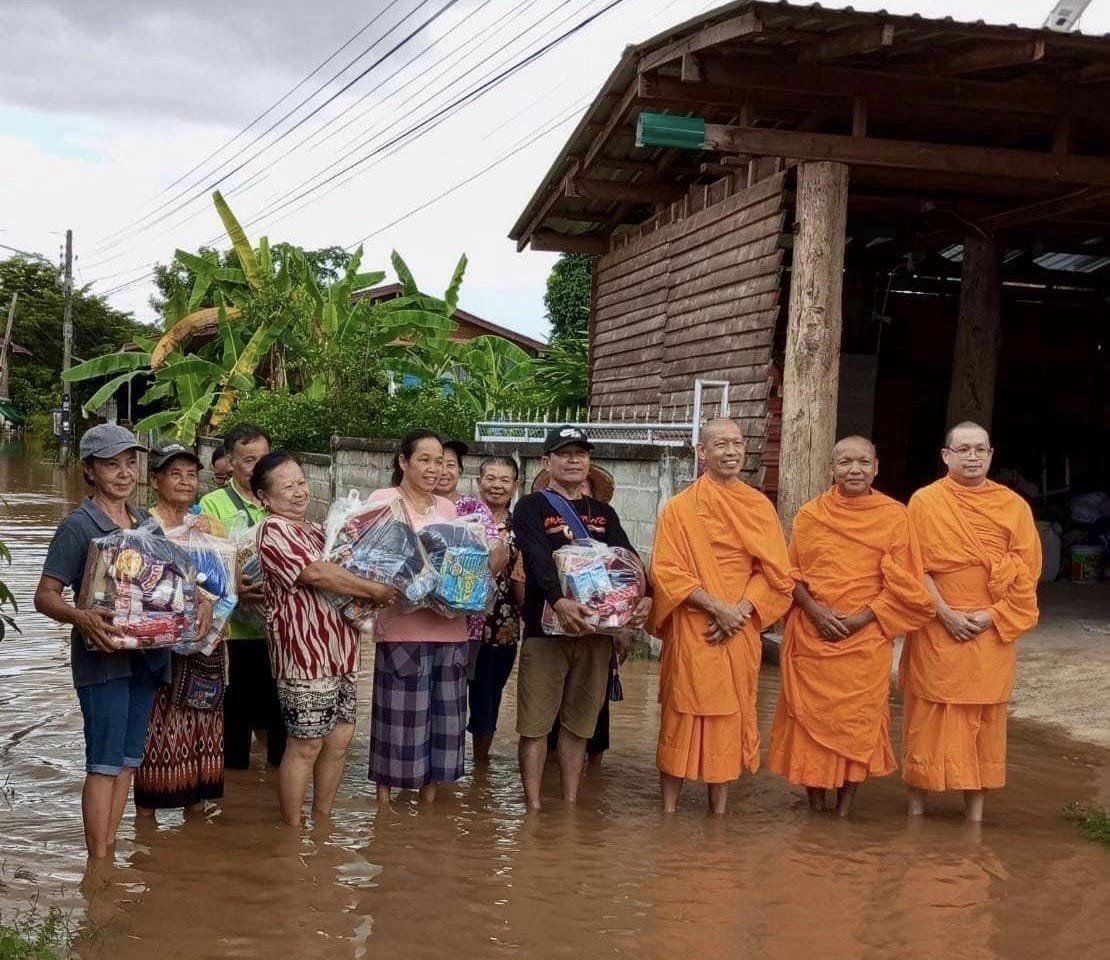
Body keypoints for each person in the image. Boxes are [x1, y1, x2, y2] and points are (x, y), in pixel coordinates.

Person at [766, 437, 934, 816]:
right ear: (832, 469)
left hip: (867, 636)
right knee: (809, 721)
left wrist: (864, 617)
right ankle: (816, 805)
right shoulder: (810, 516)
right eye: (845, 462)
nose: (854, 470)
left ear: (876, 467)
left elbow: (905, 582)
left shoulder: (895, 516)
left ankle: (844, 809)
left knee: (859, 722)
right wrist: (814, 611)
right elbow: (792, 575)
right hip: (813, 634)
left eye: (862, 463)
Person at [33, 425, 171, 858]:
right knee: (104, 762)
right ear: (89, 470)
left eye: (130, 463)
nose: (125, 473)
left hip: (147, 655)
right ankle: (98, 864)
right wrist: (81, 617)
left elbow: (170, 583)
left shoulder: (147, 522)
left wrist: (198, 604)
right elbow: (44, 596)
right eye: (112, 465)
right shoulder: (78, 526)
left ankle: (108, 852)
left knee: (128, 760)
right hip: (102, 657)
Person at [649, 418, 793, 814]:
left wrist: (742, 610)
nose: (730, 452)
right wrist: (716, 608)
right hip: (695, 624)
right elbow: (666, 571)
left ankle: (719, 809)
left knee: (730, 714)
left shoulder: (758, 505)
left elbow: (776, 572)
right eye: (720, 444)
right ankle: (669, 809)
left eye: (736, 443)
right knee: (681, 712)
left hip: (739, 626)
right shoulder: (680, 509)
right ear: (702, 452)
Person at [900, 422, 1041, 822]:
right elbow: (913, 567)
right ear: (946, 455)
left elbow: (1027, 572)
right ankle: (916, 807)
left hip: (991, 627)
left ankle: (975, 813)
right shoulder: (925, 502)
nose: (973, 457)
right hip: (936, 623)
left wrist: (991, 614)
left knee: (985, 719)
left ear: (991, 454)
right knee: (927, 714)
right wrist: (944, 612)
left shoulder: (1013, 506)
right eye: (963, 450)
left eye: (980, 450)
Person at [253, 452, 397, 825]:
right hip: (303, 656)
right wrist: (374, 590)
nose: (300, 491)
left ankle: (322, 821)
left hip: (343, 653)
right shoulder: (273, 530)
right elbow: (316, 573)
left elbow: (351, 559)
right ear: (264, 497)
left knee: (339, 742)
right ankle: (293, 829)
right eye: (288, 486)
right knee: (306, 744)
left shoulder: (320, 529)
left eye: (301, 482)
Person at [513, 426, 651, 810]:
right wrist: (557, 600)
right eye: (564, 453)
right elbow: (538, 557)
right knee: (535, 724)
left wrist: (646, 596)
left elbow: (628, 558)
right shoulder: (531, 507)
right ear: (547, 462)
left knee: (579, 725)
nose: (574, 459)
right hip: (546, 632)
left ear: (589, 462)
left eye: (581, 453)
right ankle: (534, 808)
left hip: (595, 632)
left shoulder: (604, 513)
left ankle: (571, 803)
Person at [367, 431, 474, 805]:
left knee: (445, 724)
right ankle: (384, 806)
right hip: (402, 630)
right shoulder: (383, 502)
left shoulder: (448, 509)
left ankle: (428, 802)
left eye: (440, 461)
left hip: (451, 629)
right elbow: (371, 561)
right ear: (403, 462)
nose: (434, 468)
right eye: (425, 460)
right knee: (398, 724)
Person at [135, 443, 230, 818]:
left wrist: (208, 600)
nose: (185, 481)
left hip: (207, 648)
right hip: (160, 651)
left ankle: (195, 831)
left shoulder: (208, 526)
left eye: (191, 474)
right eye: (175, 474)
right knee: (155, 736)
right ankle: (146, 830)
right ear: (155, 479)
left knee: (203, 735)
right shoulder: (143, 528)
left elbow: (228, 586)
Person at [199, 424, 286, 769]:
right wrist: (235, 587)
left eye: (265, 459)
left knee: (280, 727)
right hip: (234, 635)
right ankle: (235, 810)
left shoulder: (282, 500)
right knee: (235, 727)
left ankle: (272, 806)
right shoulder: (213, 504)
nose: (258, 468)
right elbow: (207, 565)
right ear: (230, 463)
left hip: (280, 632)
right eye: (250, 460)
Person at [435, 438, 509, 672]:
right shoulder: (416, 507)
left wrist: (469, 587)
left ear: (459, 470)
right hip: (419, 620)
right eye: (438, 463)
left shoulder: (474, 510)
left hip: (465, 622)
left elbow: (496, 549)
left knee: (455, 695)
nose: (444, 471)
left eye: (451, 464)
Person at [468, 456, 522, 763]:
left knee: (488, 698)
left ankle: (479, 766)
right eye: (491, 478)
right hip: (457, 626)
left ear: (515, 486)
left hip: (501, 630)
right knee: (447, 697)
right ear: (479, 482)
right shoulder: (462, 520)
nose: (497, 485)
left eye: (504, 480)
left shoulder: (523, 528)